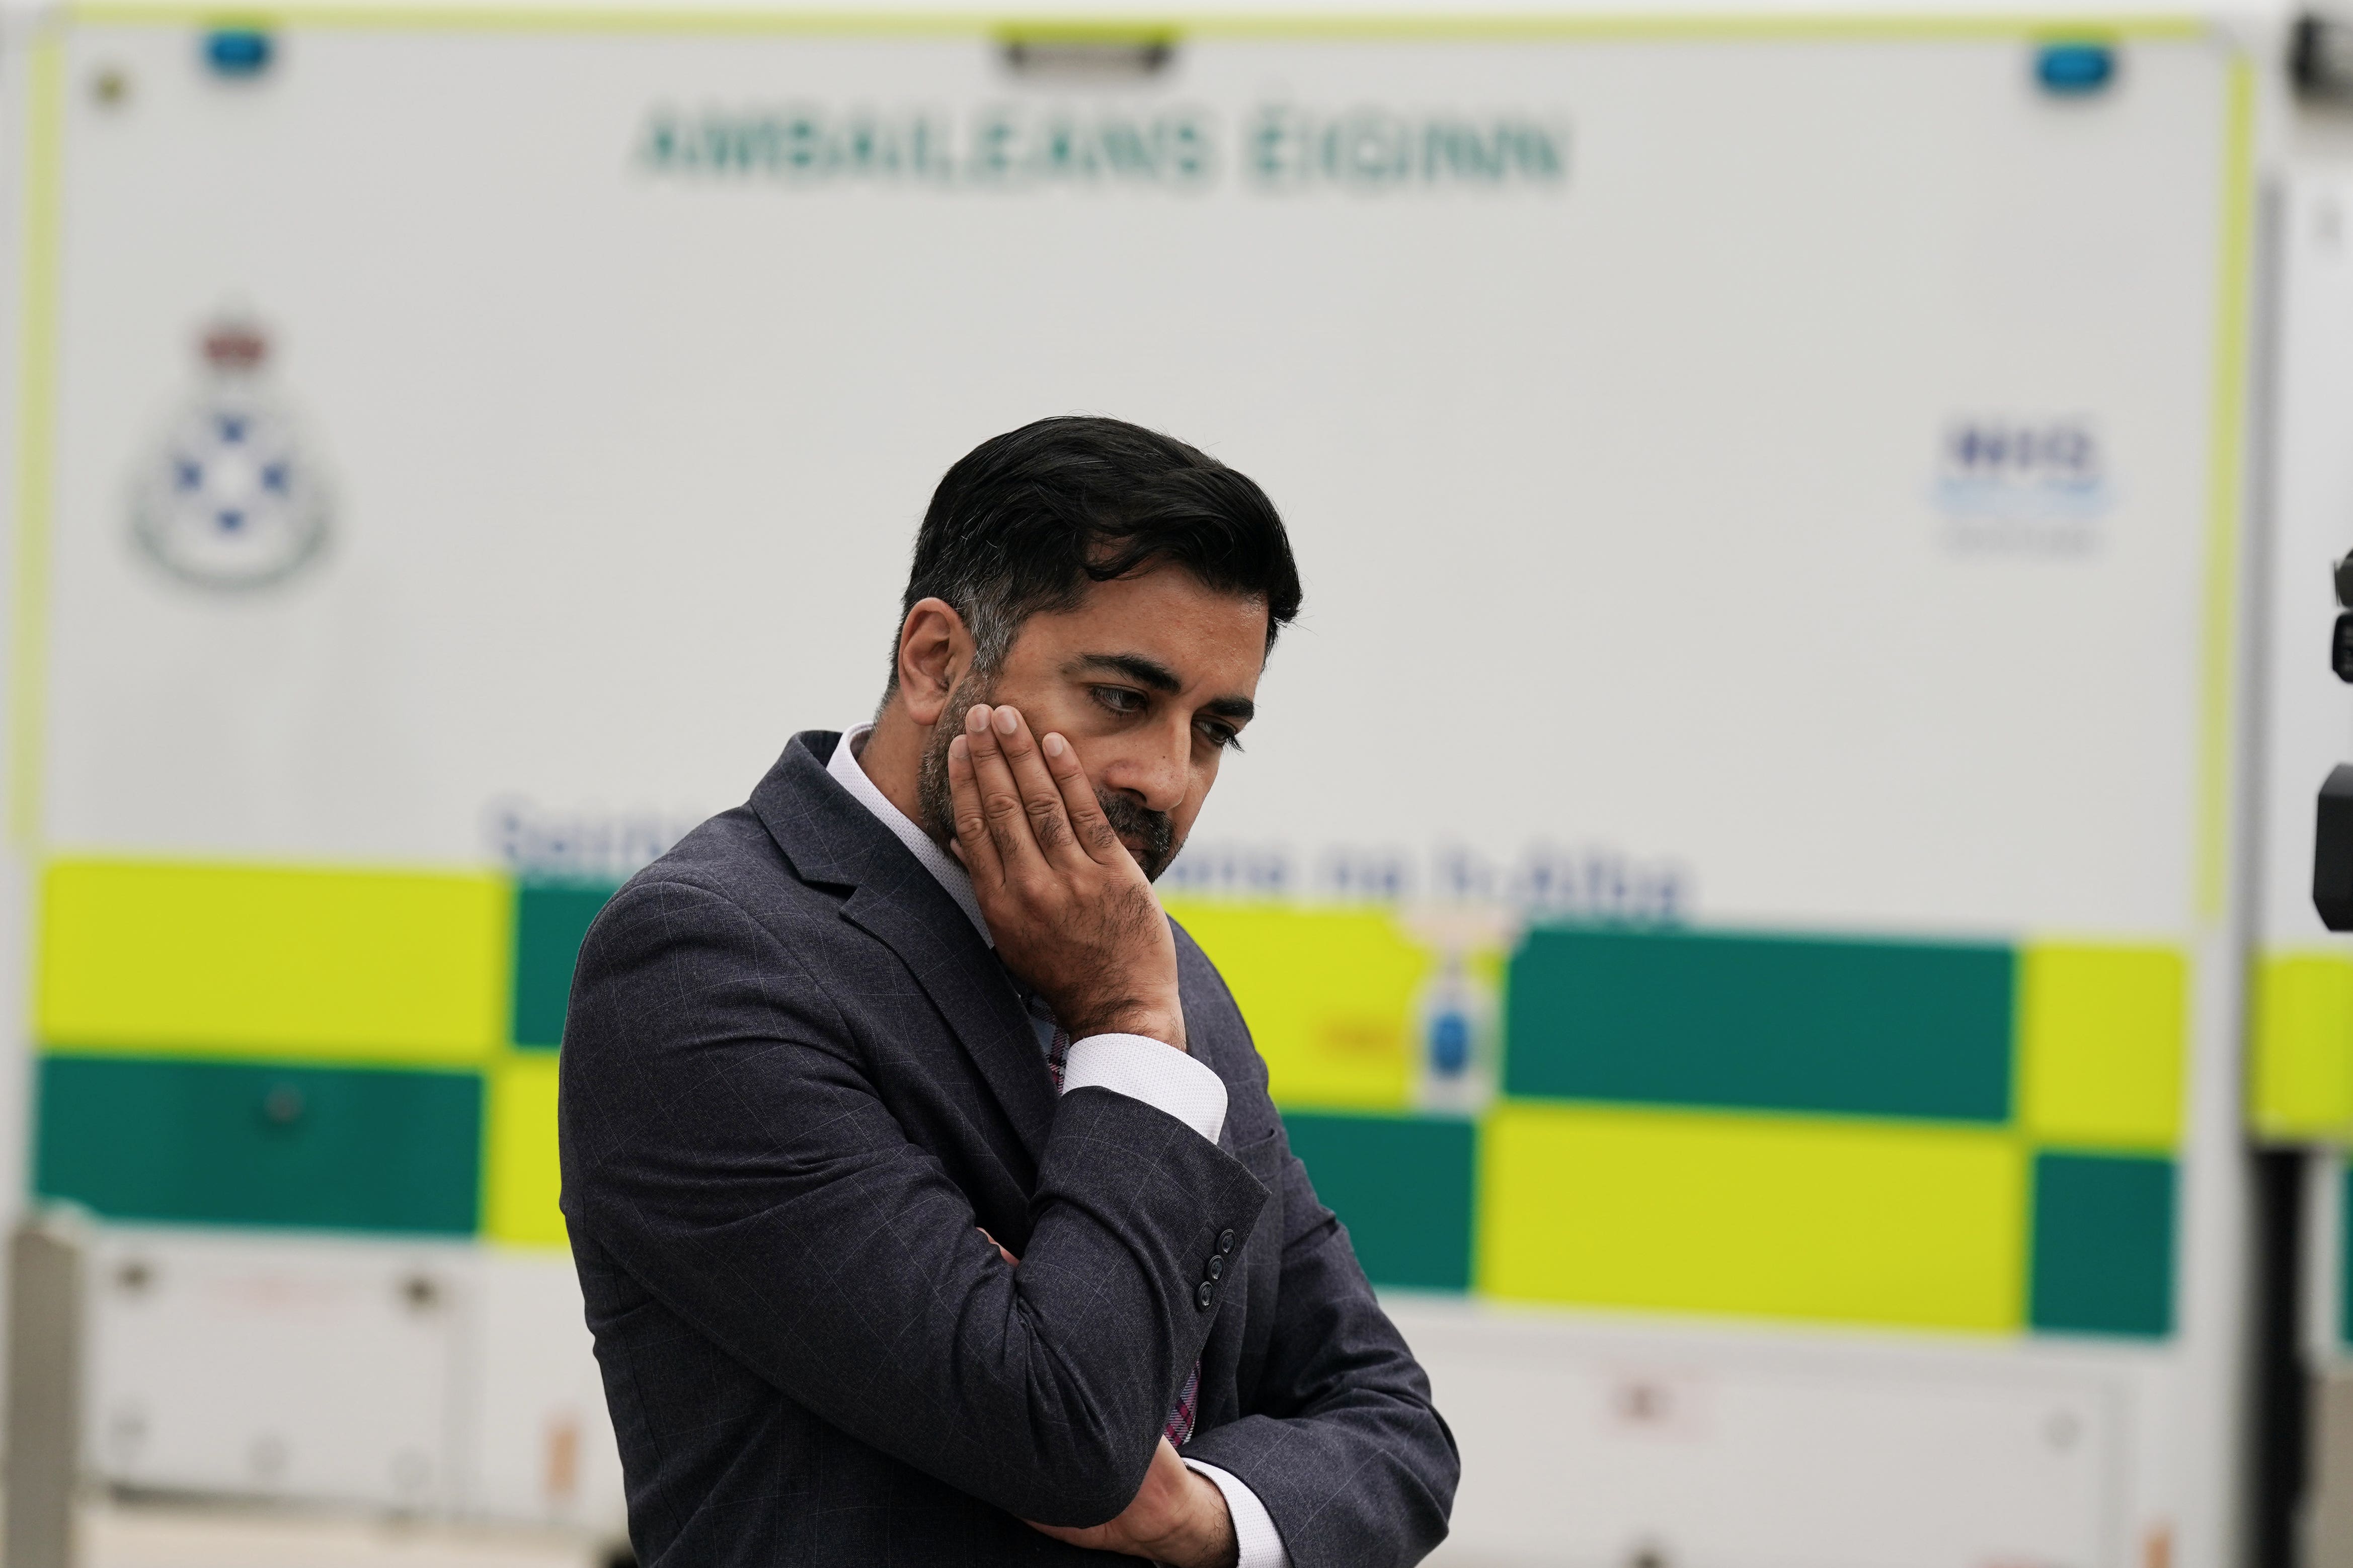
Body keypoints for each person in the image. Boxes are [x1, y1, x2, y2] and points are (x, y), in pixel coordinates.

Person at [559, 416, 1459, 1568]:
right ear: (935, 659)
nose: (1167, 777)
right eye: (1122, 699)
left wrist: (1206, 1516)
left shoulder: (1166, 976)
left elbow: (1395, 1424)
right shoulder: (708, 958)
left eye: (1215, 730)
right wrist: (1127, 1030)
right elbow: (1061, 1433)